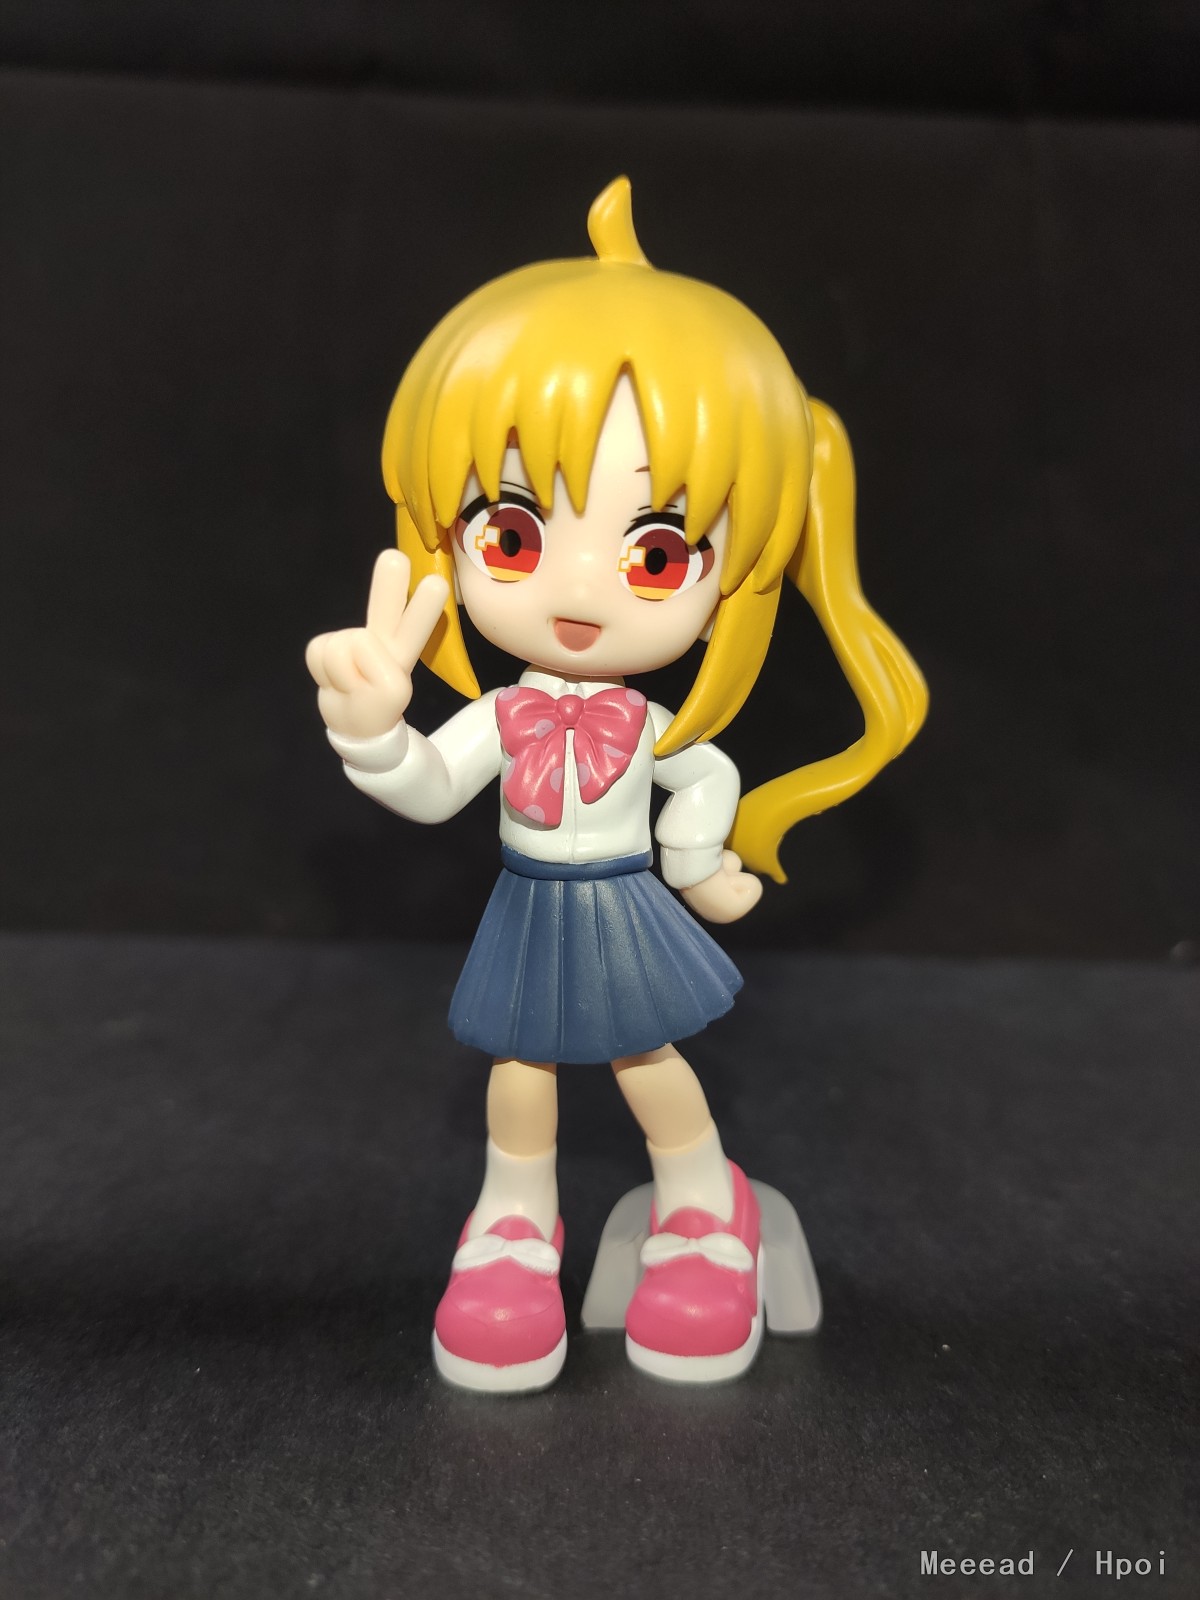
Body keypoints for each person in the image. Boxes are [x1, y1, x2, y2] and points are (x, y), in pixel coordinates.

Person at [306, 177, 927, 1391]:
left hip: (625, 904)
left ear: (738, 570)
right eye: (514, 536)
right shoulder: (506, 713)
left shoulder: (644, 723)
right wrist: (374, 734)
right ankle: (512, 1223)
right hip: (528, 903)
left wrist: (701, 864)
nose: (580, 592)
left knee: (649, 1060)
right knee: (520, 1073)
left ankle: (704, 1206)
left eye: (655, 552)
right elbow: (430, 785)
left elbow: (703, 777)